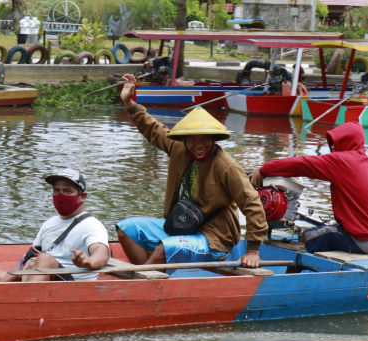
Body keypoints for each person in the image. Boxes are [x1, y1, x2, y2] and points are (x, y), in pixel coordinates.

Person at [115, 73, 268, 270]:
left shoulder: (226, 166)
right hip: (180, 226)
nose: (198, 145)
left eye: (204, 139)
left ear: (213, 139)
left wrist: (253, 249)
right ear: (185, 140)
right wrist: (129, 103)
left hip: (214, 238)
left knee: (163, 250)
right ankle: (152, 279)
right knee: (126, 230)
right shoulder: (179, 148)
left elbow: (252, 203)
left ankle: (149, 281)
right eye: (192, 139)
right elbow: (153, 129)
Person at [248, 121, 368, 254]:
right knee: (327, 230)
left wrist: (263, 170)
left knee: (306, 236)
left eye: (335, 143)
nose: (332, 147)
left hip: (363, 241)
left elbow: (300, 164)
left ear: (344, 141)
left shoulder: (340, 161)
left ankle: (293, 276)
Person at [0, 169, 110, 282]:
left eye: (67, 191)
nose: (60, 195)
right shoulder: (49, 224)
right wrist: (1, 284)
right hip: (41, 275)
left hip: (72, 283)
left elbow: (101, 251)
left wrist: (90, 261)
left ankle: (27, 299)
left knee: (45, 259)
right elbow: (27, 258)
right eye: (56, 190)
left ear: (82, 197)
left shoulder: (91, 225)